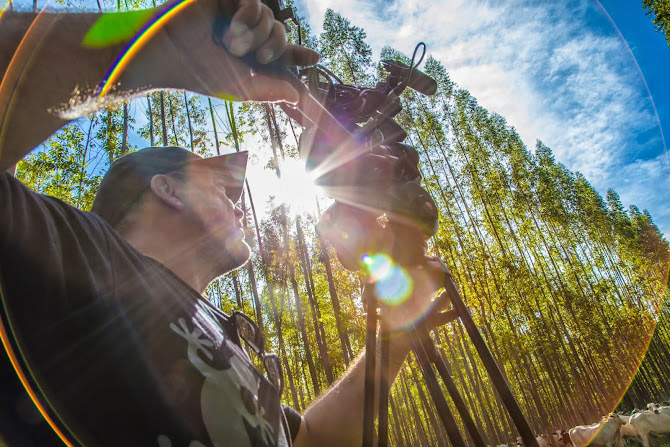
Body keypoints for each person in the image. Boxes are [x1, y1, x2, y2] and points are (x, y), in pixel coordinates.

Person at [0, 0, 446, 445]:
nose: (240, 206)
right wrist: (162, 44)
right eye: (220, 186)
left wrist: (393, 338)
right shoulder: (72, 257)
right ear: (166, 189)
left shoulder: (233, 341)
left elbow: (310, 439)